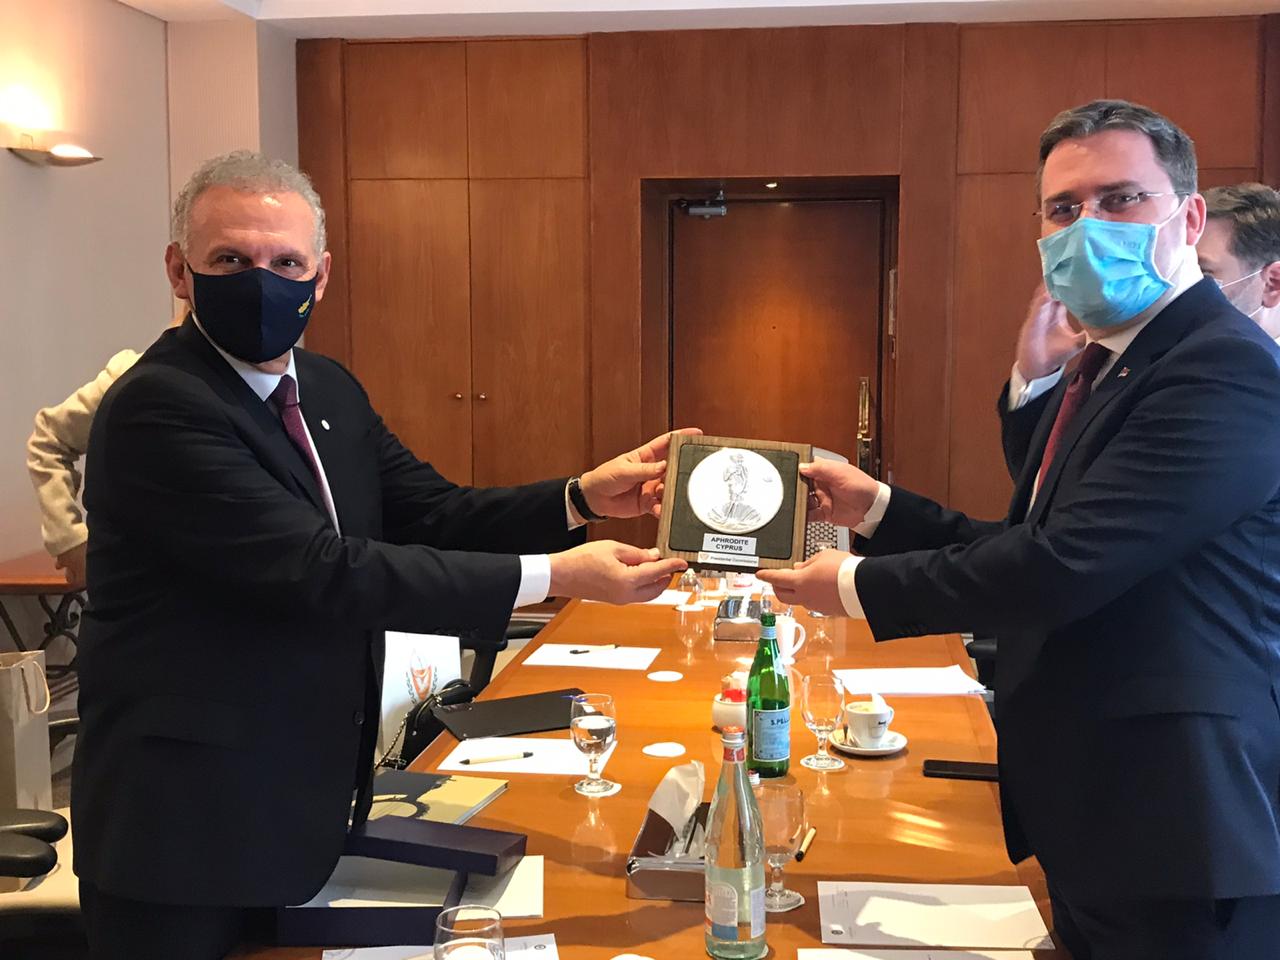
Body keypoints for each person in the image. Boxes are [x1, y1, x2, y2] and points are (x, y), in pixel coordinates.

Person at [71, 150, 690, 959]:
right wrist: (557, 577)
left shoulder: (326, 387)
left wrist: (579, 498)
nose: (262, 282)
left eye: (285, 263)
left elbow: (433, 511)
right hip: (184, 827)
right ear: (179, 272)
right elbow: (321, 571)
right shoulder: (161, 406)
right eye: (230, 260)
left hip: (296, 797)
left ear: (321, 275)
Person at [761, 101, 1280, 958]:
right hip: (1102, 806)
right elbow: (1026, 537)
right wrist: (876, 509)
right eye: (1063, 208)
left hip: (1179, 820)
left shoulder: (1220, 368)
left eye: (1120, 199)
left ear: (1189, 218)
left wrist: (851, 586)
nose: (1087, 227)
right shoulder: (1111, 365)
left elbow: (1064, 564)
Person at [999, 181, 1280, 482]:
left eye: (1200, 273)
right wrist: (1038, 376)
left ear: (1272, 283)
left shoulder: (1245, 380)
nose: (1177, 287)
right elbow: (1046, 494)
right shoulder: (1137, 361)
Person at [26, 311, 184, 590]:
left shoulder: (266, 379)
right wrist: (68, 538)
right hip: (148, 588)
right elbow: (49, 437)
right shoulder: (134, 374)